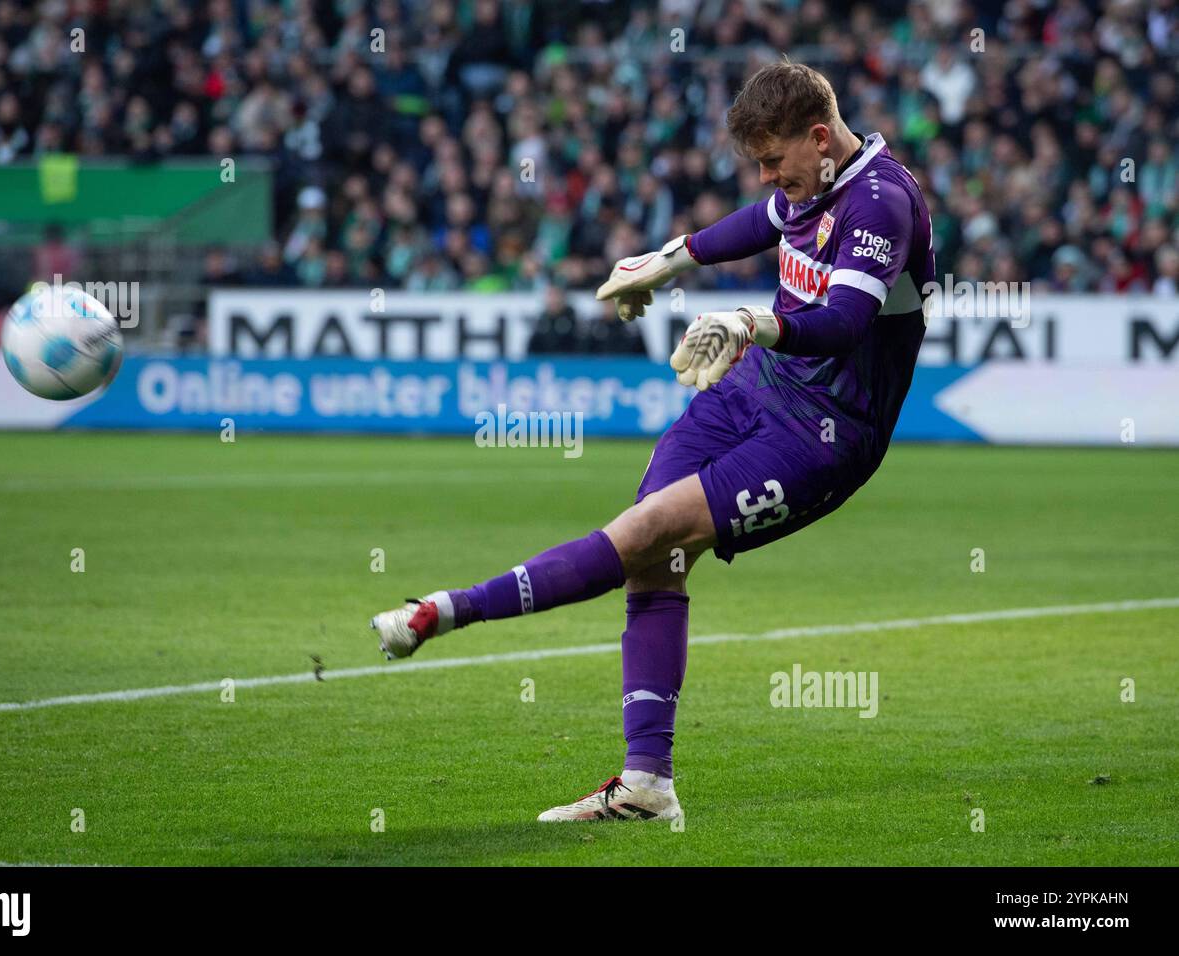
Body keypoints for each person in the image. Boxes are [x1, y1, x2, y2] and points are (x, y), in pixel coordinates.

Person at [369, 61, 937, 822]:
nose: (769, 177)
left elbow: (843, 323)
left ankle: (445, 610)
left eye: (774, 161)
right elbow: (756, 223)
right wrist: (663, 264)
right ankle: (646, 785)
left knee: (646, 532)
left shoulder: (880, 202)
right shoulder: (811, 182)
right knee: (651, 559)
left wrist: (747, 321)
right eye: (759, 165)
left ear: (820, 135)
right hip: (753, 387)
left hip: (827, 432)